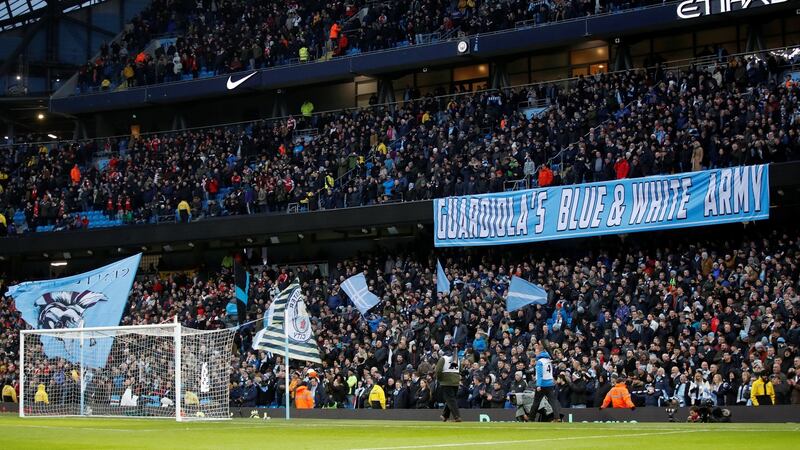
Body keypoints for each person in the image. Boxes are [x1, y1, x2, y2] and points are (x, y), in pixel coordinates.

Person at [532, 348, 561, 422]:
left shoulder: (540, 362)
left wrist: (538, 385)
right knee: (553, 401)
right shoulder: (548, 360)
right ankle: (557, 418)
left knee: (536, 402)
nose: (535, 353)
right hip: (550, 383)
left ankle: (531, 418)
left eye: (536, 351)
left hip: (542, 384)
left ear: (540, 352)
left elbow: (539, 374)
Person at [435, 352, 461, 422]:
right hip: (456, 382)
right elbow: (459, 370)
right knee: (450, 399)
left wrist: (440, 379)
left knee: (450, 400)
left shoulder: (443, 359)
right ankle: (445, 415)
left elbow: (438, 371)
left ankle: (457, 416)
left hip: (446, 382)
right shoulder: (457, 359)